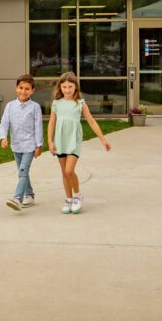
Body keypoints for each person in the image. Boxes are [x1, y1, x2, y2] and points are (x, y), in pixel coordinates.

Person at [47, 71, 111, 214]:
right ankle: (68, 199)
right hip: (60, 140)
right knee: (64, 172)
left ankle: (77, 195)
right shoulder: (56, 103)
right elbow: (51, 123)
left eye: (70, 87)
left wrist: (103, 139)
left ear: (76, 87)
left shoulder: (80, 103)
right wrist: (50, 142)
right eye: (64, 87)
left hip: (74, 141)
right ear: (60, 88)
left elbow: (91, 121)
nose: (67, 90)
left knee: (70, 170)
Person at [0, 74, 43, 211]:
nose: (23, 91)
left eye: (27, 89)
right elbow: (4, 123)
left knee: (23, 171)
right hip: (16, 146)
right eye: (21, 88)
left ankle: (17, 198)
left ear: (32, 91)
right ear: (16, 88)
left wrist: (39, 145)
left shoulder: (35, 107)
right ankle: (30, 195)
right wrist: (3, 137)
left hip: (29, 145)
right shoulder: (10, 106)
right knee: (22, 172)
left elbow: (38, 126)